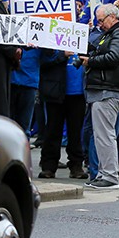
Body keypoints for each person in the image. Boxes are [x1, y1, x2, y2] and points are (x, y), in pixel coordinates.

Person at [80, 4, 119, 189]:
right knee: (101, 135)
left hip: (109, 90)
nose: (99, 24)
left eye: (101, 20)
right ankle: (105, 173)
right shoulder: (111, 34)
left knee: (105, 135)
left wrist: (90, 61)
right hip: (103, 89)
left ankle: (110, 177)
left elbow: (114, 57)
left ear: (112, 17)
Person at [37, 50, 87, 179]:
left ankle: (76, 166)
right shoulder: (53, 38)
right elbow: (43, 61)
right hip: (55, 90)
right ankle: (49, 166)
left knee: (76, 132)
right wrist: (62, 55)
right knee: (53, 130)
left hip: (78, 93)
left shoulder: (86, 39)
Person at [9, 0, 42, 137]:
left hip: (29, 79)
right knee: (6, 124)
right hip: (8, 77)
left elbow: (49, 55)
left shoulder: (43, 14)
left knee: (24, 129)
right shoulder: (6, 9)